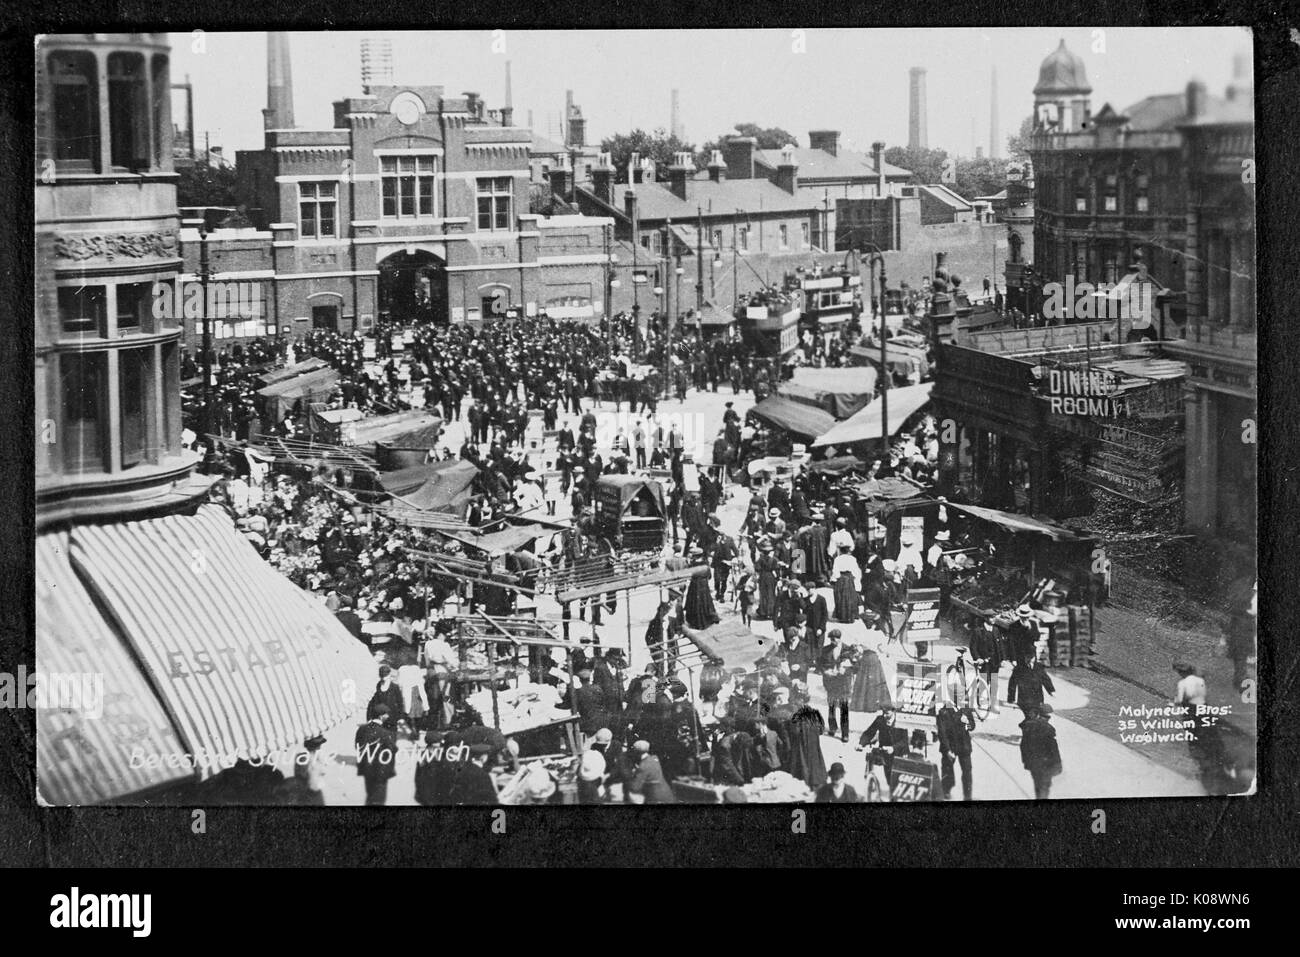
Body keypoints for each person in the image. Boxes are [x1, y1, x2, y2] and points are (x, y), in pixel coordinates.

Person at [354, 706, 398, 806]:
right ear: (381, 716)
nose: (388, 715)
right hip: (380, 772)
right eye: (386, 714)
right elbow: (392, 750)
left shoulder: (361, 729)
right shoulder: (385, 733)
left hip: (366, 769)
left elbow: (357, 747)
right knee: (378, 800)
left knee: (370, 796)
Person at [1019, 703, 1062, 799]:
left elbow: (1023, 746)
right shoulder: (1049, 730)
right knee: (1044, 788)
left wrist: (1026, 762)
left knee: (1038, 785)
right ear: (1047, 717)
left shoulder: (1028, 727)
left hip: (1033, 764)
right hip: (1046, 765)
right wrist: (1058, 765)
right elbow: (1053, 750)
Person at [818, 629, 853, 742]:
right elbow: (820, 665)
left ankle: (845, 733)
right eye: (832, 639)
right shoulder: (825, 650)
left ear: (840, 638)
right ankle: (832, 728)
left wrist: (846, 671)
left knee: (844, 709)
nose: (834, 641)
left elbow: (856, 667)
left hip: (843, 684)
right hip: (831, 683)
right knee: (831, 707)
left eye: (836, 639)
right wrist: (825, 671)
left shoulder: (848, 650)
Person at [936, 700, 975, 801]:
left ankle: (967, 795)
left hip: (964, 746)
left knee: (967, 771)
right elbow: (942, 733)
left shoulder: (966, 709)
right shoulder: (943, 712)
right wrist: (947, 750)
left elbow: (972, 726)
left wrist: (967, 722)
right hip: (950, 746)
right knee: (947, 769)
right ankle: (946, 791)